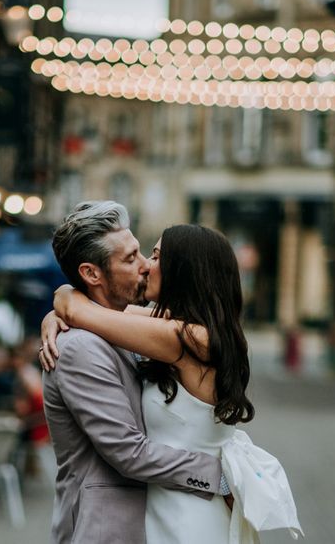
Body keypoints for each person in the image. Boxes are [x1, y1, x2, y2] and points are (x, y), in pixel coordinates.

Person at [40, 201, 230, 544]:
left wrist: (65, 303)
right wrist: (220, 476)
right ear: (92, 274)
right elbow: (128, 452)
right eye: (131, 258)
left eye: (146, 254)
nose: (145, 266)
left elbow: (94, 311)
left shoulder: (145, 331)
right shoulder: (81, 347)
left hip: (167, 519)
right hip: (105, 530)